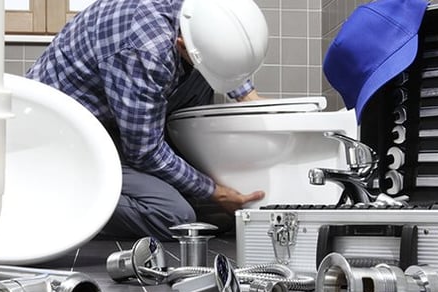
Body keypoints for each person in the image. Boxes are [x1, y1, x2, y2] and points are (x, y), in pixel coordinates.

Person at [26, 0, 269, 241]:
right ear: (182, 44)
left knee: (202, 78)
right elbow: (143, 152)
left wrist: (253, 100)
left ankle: (185, 185)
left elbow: (219, 48)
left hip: (114, 112)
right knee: (176, 217)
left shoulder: (197, 12)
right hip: (64, 138)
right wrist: (215, 192)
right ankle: (47, 194)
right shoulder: (145, 50)